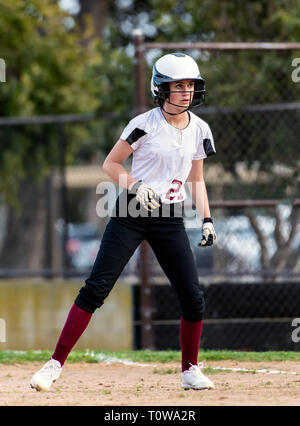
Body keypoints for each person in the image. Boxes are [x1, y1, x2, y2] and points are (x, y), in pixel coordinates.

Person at [30, 52, 217, 392]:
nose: (187, 91)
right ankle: (53, 365)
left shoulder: (200, 129)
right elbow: (110, 164)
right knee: (96, 289)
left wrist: (206, 218)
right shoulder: (143, 124)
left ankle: (190, 370)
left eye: (191, 85)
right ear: (160, 89)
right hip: (132, 211)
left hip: (170, 216)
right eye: (179, 85)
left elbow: (197, 180)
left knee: (193, 298)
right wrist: (137, 185)